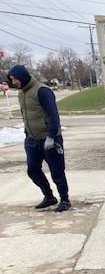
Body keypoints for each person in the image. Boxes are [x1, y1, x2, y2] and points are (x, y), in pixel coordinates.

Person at [7, 65, 70, 212]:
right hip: (32, 140)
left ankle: (65, 200)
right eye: (12, 80)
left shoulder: (42, 91)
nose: (14, 83)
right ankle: (49, 197)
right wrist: (27, 134)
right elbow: (25, 115)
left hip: (50, 140)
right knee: (32, 170)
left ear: (22, 76)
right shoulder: (21, 93)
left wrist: (51, 136)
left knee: (57, 172)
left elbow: (54, 116)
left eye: (15, 79)